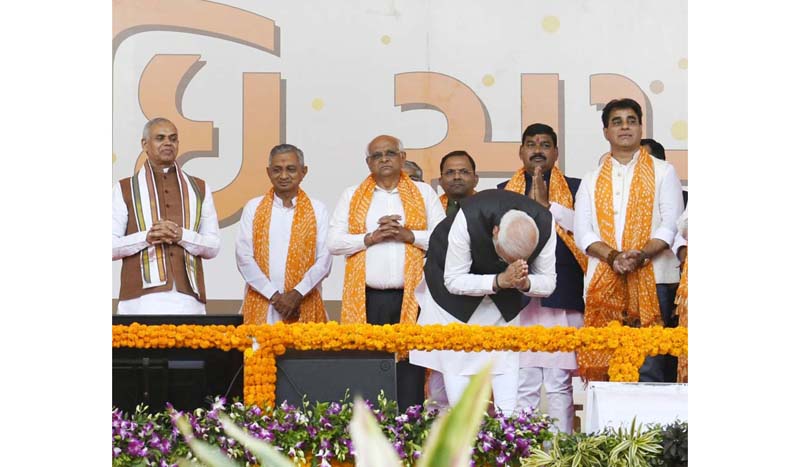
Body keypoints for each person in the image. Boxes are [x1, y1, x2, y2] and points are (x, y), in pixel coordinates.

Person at [410, 189, 556, 414]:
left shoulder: (544, 224)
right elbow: (453, 280)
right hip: (450, 296)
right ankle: (461, 432)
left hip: (506, 296)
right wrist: (499, 280)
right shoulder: (469, 216)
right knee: (457, 364)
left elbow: (548, 282)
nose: (504, 263)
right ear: (495, 232)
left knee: (505, 363)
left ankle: (508, 433)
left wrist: (524, 282)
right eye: (503, 257)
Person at [327, 135, 446, 410]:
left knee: (410, 365)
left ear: (402, 158)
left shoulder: (424, 193)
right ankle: (368, 425)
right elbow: (333, 242)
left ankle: (409, 423)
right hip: (368, 298)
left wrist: (408, 235)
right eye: (377, 155)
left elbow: (444, 239)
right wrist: (370, 238)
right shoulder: (352, 195)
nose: (384, 159)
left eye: (390, 153)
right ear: (368, 163)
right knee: (366, 363)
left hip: (412, 297)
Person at [574, 98, 684, 382]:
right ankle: (609, 427)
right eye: (617, 121)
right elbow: (583, 231)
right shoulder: (591, 179)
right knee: (609, 360)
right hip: (604, 280)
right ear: (606, 132)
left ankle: (653, 426)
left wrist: (640, 255)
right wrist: (614, 257)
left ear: (640, 127)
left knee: (650, 362)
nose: (625, 127)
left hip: (654, 279)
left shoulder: (664, 171)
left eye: (631, 120)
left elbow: (671, 224)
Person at [497, 123, 585, 433]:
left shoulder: (577, 188)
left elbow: (587, 232)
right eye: (531, 144)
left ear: (556, 153)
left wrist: (551, 208)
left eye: (545, 144)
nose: (538, 150)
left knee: (559, 382)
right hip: (518, 300)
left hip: (561, 297)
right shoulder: (502, 192)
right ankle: (523, 446)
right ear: (521, 151)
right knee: (525, 379)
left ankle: (561, 451)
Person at [112, 118, 220, 315]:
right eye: (160, 138)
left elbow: (213, 246)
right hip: (139, 301)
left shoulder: (199, 188)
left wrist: (181, 236)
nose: (168, 143)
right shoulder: (124, 188)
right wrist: (147, 237)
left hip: (188, 301)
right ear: (145, 144)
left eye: (173, 138)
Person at [236, 144, 332, 324]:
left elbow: (324, 260)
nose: (284, 176)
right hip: (262, 302)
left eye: (291, 169)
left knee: (304, 351)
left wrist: (297, 294)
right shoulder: (253, 207)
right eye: (277, 170)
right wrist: (274, 296)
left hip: (305, 302)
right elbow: (244, 257)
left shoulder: (318, 209)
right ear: (268, 172)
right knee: (258, 351)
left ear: (304, 172)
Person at [438, 150, 479, 216]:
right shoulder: (431, 208)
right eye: (450, 172)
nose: (457, 177)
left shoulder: (488, 206)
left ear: (475, 179)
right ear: (441, 181)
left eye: (464, 172)